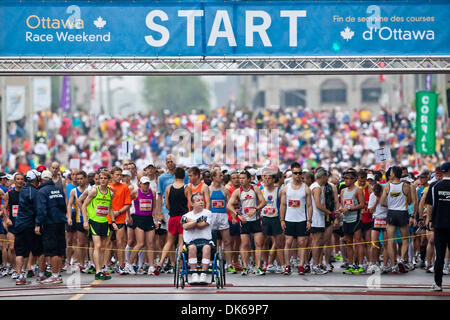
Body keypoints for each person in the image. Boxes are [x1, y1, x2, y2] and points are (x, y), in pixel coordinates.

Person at [227, 170, 266, 275]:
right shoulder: (238, 191)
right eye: (240, 178)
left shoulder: (255, 189)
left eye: (243, 178)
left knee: (258, 244)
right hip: (244, 221)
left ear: (249, 179)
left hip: (256, 220)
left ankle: (258, 267)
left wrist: (256, 209)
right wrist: (238, 215)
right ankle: (245, 267)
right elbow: (229, 205)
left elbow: (263, 202)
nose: (241, 180)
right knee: (245, 244)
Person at [82, 170, 118, 281]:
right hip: (94, 221)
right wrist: (85, 221)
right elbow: (84, 205)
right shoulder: (94, 191)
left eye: (105, 178)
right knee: (97, 246)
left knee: (102, 247)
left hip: (104, 222)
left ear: (108, 180)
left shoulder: (110, 193)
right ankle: (97, 271)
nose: (103, 180)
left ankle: (101, 269)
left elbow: (110, 208)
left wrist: (113, 222)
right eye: (101, 178)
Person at [155, 154, 189, 272]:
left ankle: (160, 262)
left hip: (172, 215)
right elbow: (189, 203)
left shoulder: (169, 188)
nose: (170, 163)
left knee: (169, 241)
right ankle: (178, 264)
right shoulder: (185, 187)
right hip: (182, 216)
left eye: (171, 161)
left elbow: (167, 202)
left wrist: (170, 210)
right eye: (168, 161)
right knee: (180, 241)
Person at [279, 162, 313, 275]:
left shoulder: (306, 188)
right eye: (295, 173)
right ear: (292, 174)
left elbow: (309, 205)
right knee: (288, 242)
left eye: (299, 173)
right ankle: (287, 265)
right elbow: (283, 205)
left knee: (301, 242)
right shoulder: (286, 188)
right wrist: (282, 220)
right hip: (289, 219)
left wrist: (309, 220)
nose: (297, 175)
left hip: (301, 219)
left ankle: (301, 266)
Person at [14, 170, 46, 285]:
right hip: (30, 225)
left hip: (19, 225)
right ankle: (41, 275)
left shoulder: (22, 189)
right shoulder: (35, 192)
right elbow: (39, 210)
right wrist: (38, 224)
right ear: (35, 179)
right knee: (40, 251)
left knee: (20, 253)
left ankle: (19, 276)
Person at [35, 170, 67, 284]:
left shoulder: (41, 191)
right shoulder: (58, 189)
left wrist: (38, 223)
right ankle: (57, 275)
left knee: (53, 250)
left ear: (42, 180)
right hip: (60, 222)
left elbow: (42, 210)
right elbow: (64, 205)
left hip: (50, 223)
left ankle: (54, 276)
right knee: (59, 250)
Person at [381, 166, 413, 274]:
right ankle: (402, 259)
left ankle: (394, 265)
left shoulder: (387, 186)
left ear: (394, 174)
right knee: (405, 239)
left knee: (390, 240)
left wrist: (390, 204)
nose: (389, 174)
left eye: (390, 172)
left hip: (391, 212)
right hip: (402, 213)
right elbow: (409, 202)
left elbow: (382, 202)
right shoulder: (406, 186)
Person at [125, 176, 159, 276]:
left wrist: (155, 219)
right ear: (140, 184)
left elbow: (154, 207)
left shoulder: (152, 192)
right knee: (140, 243)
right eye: (144, 184)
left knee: (150, 243)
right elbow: (127, 203)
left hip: (149, 219)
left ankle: (151, 267)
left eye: (147, 183)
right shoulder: (135, 192)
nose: (146, 185)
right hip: (138, 218)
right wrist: (128, 216)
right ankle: (129, 264)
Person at [425, 162, 450, 292]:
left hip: (439, 224)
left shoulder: (435, 186)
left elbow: (429, 205)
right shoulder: (435, 185)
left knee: (439, 255)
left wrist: (430, 221)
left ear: (443, 171)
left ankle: (438, 284)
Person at [104, 167, 131, 275]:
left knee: (120, 242)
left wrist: (118, 212)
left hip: (119, 218)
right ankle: (105, 266)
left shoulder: (124, 187)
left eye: (121, 175)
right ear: (111, 175)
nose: (119, 177)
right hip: (107, 218)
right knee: (107, 243)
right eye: (117, 175)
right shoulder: (107, 186)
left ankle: (121, 265)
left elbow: (128, 204)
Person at [181, 193, 213, 284]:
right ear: (192, 203)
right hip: (191, 242)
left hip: (205, 240)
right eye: (198, 200)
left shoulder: (208, 213)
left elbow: (201, 226)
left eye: (202, 200)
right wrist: (197, 220)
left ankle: (204, 274)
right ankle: (194, 273)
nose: (201, 202)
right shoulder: (186, 215)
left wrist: (190, 222)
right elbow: (185, 227)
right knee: (192, 247)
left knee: (207, 247)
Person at [339, 170, 366, 274]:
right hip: (346, 219)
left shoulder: (358, 190)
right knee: (348, 242)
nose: (346, 180)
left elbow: (362, 205)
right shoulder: (342, 191)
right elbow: (341, 204)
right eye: (345, 178)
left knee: (358, 241)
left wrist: (349, 208)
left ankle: (360, 264)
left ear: (354, 179)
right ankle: (350, 264)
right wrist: (341, 209)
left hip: (356, 219)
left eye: (349, 178)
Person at [209, 169, 234, 273]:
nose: (222, 177)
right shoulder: (208, 189)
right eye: (219, 175)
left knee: (227, 241)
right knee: (211, 242)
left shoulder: (225, 190)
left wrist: (233, 216)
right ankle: (211, 263)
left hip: (223, 216)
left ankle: (228, 264)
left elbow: (229, 205)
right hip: (211, 216)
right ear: (214, 177)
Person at [260, 167, 284, 274]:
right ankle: (267, 263)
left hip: (275, 218)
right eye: (265, 178)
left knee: (279, 243)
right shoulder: (261, 191)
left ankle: (281, 265)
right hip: (264, 218)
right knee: (264, 242)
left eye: (269, 178)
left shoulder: (278, 191)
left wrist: (282, 219)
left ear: (274, 179)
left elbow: (283, 206)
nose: (267, 180)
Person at [2, 172, 26, 280]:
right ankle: (14, 268)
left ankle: (21, 270)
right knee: (12, 248)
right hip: (13, 223)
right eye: (18, 179)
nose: (20, 181)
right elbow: (4, 208)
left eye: (21, 179)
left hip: (24, 223)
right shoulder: (9, 194)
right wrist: (6, 219)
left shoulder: (26, 193)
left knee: (23, 248)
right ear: (14, 180)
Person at [309, 168, 333, 275]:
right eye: (326, 176)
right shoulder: (317, 188)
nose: (327, 178)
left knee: (317, 241)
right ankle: (315, 265)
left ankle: (316, 264)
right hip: (316, 218)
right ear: (322, 177)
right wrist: (329, 212)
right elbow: (318, 205)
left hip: (317, 217)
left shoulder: (314, 186)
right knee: (316, 241)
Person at [66, 170, 89, 272]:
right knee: (81, 242)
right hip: (79, 218)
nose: (79, 180)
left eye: (81, 178)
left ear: (85, 179)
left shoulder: (90, 189)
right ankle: (81, 263)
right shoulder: (74, 191)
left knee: (90, 242)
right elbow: (69, 204)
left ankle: (89, 262)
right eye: (78, 179)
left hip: (91, 218)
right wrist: (69, 217)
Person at [367, 183, 388, 274]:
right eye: (375, 194)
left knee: (386, 243)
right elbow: (371, 210)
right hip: (376, 219)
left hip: (385, 219)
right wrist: (376, 201)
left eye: (378, 194)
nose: (377, 195)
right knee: (374, 243)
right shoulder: (372, 196)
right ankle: (373, 263)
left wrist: (382, 200)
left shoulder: (386, 195)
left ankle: (385, 264)